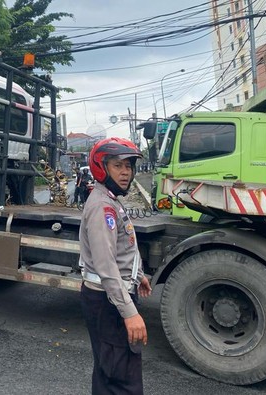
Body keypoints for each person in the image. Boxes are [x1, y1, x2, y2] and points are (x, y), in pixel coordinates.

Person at [78, 137, 153, 394]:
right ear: (102, 167)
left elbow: (123, 247)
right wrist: (129, 313)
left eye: (128, 166)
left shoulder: (110, 200)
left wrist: (138, 274)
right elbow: (106, 265)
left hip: (110, 296)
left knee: (109, 372)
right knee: (122, 379)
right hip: (107, 302)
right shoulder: (102, 206)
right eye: (118, 165)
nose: (125, 172)